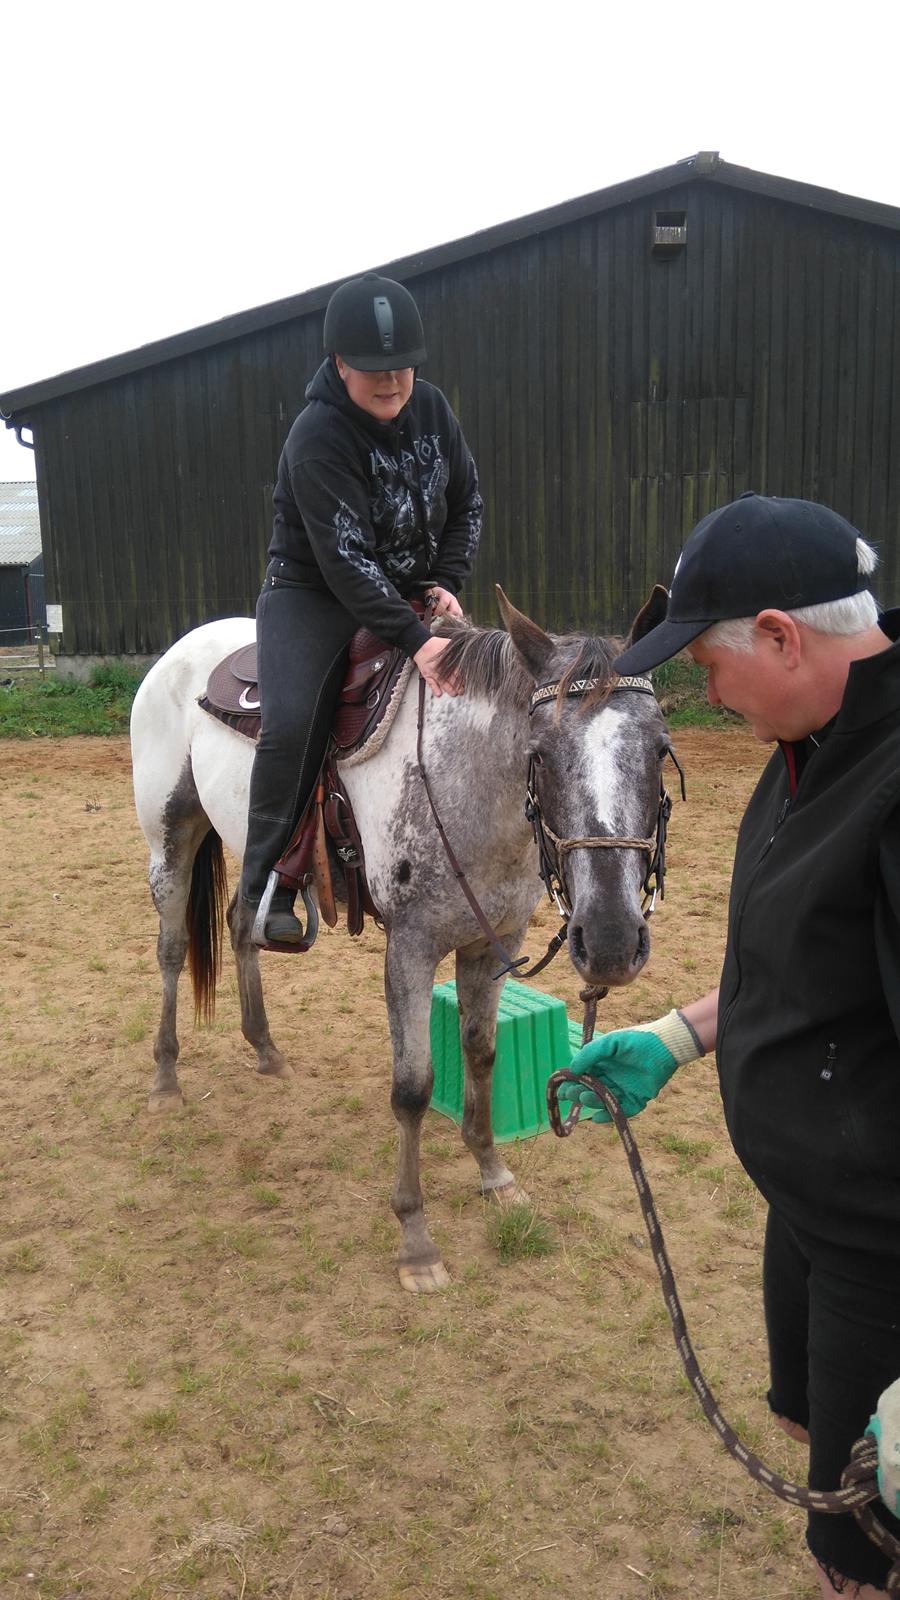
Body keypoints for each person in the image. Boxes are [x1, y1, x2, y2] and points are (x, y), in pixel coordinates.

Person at [559, 492, 900, 1598]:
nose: (705, 691)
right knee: (808, 1431)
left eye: (710, 663)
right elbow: (805, 969)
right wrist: (683, 1031)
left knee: (863, 1551)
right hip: (811, 1211)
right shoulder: (807, 744)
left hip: (882, 1253)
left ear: (783, 636)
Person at [240, 272, 483, 944]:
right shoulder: (317, 436)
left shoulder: (433, 410)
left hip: (408, 589)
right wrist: (416, 638)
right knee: (292, 723)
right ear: (340, 362)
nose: (392, 380)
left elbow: (467, 501)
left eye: (402, 365)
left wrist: (443, 580)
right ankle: (265, 888)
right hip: (312, 595)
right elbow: (345, 559)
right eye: (374, 368)